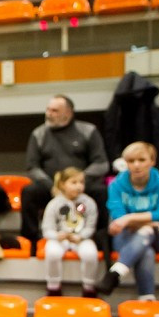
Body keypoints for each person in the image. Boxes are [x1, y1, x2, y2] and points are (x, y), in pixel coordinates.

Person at [21, 95, 109, 255]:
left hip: (82, 187)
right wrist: (54, 186)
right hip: (51, 188)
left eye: (54, 110)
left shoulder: (88, 130)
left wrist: (78, 182)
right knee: (29, 192)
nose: (49, 113)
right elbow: (32, 167)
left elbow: (101, 163)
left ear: (68, 113)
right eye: (48, 109)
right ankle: (32, 242)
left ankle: (101, 242)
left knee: (102, 192)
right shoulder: (39, 133)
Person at [96, 142, 159, 300]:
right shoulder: (117, 185)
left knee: (145, 233)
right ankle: (146, 299)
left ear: (152, 161)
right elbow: (118, 217)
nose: (136, 165)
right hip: (126, 238)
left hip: (158, 240)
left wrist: (129, 218)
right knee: (146, 250)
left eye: (142, 160)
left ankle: (116, 272)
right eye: (131, 161)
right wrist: (157, 224)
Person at [41, 167, 100, 298]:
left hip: (81, 238)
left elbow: (91, 226)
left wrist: (81, 236)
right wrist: (56, 236)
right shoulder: (54, 203)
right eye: (74, 182)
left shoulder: (89, 203)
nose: (79, 186)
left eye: (81, 182)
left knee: (90, 254)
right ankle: (53, 286)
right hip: (60, 238)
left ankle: (89, 287)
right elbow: (47, 229)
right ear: (62, 184)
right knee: (52, 252)